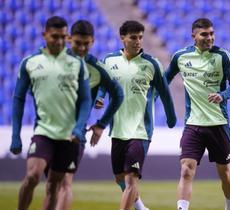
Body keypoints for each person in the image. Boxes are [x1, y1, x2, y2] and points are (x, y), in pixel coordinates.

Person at [9, 16, 91, 210]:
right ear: (45, 35)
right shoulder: (30, 63)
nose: (60, 41)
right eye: (55, 37)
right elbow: (18, 99)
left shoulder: (77, 64)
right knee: (32, 176)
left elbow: (85, 99)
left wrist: (79, 127)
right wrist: (15, 136)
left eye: (64, 37)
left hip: (69, 136)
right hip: (44, 132)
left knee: (54, 186)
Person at [96, 20, 176, 210]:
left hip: (141, 131)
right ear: (122, 38)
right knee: (119, 178)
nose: (138, 41)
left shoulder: (151, 63)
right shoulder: (109, 61)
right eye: (134, 37)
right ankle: (140, 206)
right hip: (117, 130)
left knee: (131, 179)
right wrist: (100, 97)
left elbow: (164, 92)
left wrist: (171, 117)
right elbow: (102, 84)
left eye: (140, 37)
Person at [165, 18, 230, 210]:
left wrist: (223, 95)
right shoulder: (180, 57)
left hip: (218, 123)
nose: (209, 38)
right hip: (193, 124)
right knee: (185, 170)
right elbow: (164, 79)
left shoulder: (223, 56)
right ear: (194, 36)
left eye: (211, 34)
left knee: (225, 173)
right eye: (204, 34)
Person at [53, 20, 124, 210]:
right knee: (51, 185)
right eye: (78, 43)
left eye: (87, 43)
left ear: (92, 41)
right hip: (50, 132)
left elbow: (118, 95)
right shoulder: (54, 61)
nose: (82, 48)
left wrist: (101, 125)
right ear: (69, 39)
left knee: (64, 183)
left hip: (75, 135)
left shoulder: (98, 68)